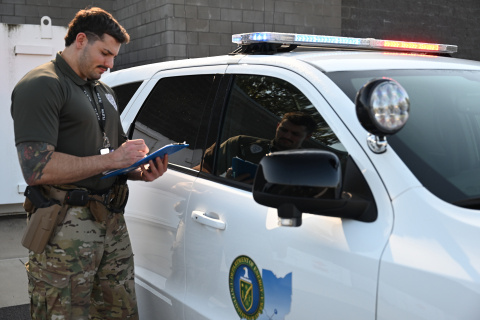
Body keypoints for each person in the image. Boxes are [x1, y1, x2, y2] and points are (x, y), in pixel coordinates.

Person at [10, 7, 167, 320]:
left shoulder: (103, 91)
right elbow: (37, 168)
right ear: (80, 40)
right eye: (105, 53)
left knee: (119, 312)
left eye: (114, 56)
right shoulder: (42, 84)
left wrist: (139, 169)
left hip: (111, 222)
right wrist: (113, 158)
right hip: (65, 228)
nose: (110, 64)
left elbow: (117, 151)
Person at [201, 112, 317, 181]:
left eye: (295, 134)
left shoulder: (312, 167)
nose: (286, 136)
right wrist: (226, 183)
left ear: (307, 136)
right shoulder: (241, 144)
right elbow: (201, 170)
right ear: (277, 126)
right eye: (283, 129)